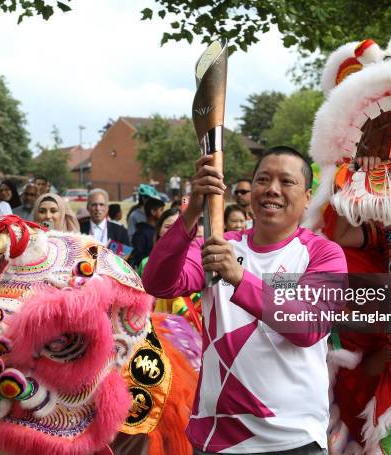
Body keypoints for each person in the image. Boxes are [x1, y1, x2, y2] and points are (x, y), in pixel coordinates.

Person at [143, 146, 347, 454]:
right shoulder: (220, 245)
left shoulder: (323, 254)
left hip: (292, 437)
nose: (272, 190)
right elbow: (158, 283)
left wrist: (238, 277)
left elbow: (309, 326)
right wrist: (191, 212)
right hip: (217, 437)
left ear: (307, 197)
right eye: (263, 179)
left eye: (286, 181)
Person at [129, 197, 165, 268]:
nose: (163, 213)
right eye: (161, 210)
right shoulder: (141, 233)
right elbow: (138, 257)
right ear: (153, 212)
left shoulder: (158, 231)